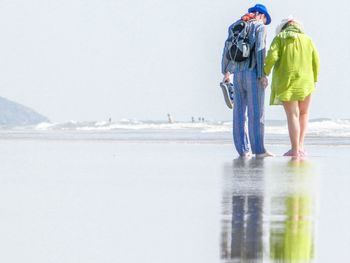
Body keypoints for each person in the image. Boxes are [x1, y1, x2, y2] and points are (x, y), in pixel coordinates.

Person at [221, 4, 273, 158]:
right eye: (265, 19)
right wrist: (262, 74)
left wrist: (226, 72)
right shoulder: (259, 27)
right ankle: (259, 150)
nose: (264, 22)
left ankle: (243, 151)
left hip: (237, 74)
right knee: (256, 113)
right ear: (261, 15)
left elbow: (226, 49)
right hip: (253, 73)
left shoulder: (234, 26)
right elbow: (260, 51)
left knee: (238, 113)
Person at [264, 18, 320, 157]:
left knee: (292, 115)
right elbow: (316, 61)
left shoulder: (280, 38)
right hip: (307, 82)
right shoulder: (307, 39)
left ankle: (294, 150)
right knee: (304, 114)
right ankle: (300, 147)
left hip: (287, 81)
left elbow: (272, 57)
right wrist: (315, 79)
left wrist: (264, 73)